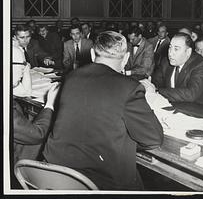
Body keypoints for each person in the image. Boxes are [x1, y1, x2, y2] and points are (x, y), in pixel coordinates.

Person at [43, 31, 163, 190]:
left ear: (92, 54)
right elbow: (153, 139)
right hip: (100, 181)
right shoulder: (129, 87)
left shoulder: (71, 78)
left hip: (55, 175)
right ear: (126, 58)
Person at [141, 33, 203, 107]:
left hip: (202, 110)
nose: (170, 54)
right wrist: (148, 85)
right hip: (176, 107)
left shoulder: (202, 64)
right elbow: (155, 82)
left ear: (188, 52)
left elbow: (190, 94)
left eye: (176, 49)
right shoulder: (166, 62)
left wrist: (156, 91)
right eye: (170, 47)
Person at [13, 82, 60, 163]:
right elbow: (39, 134)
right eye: (20, 68)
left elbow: (25, 91)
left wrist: (25, 69)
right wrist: (50, 103)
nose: (23, 69)